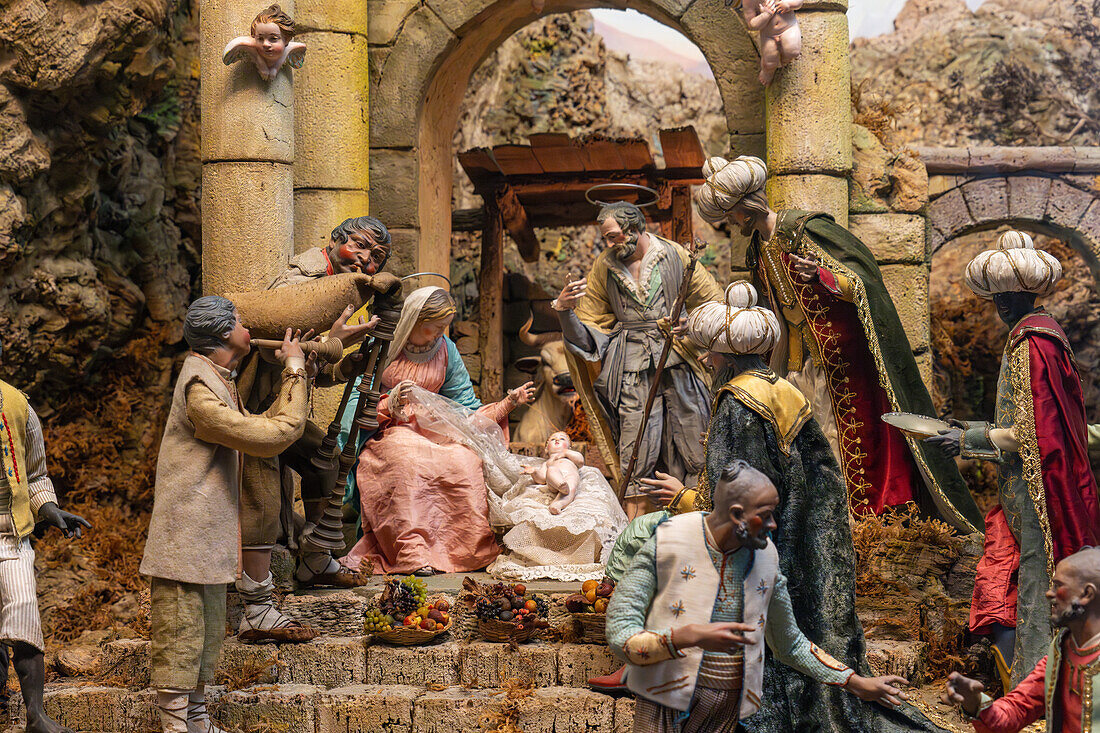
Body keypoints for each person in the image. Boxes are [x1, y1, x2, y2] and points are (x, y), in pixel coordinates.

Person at [696, 155, 982, 534]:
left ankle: (858, 519)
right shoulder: (758, 250)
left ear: (745, 209)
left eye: (730, 213)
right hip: (795, 359)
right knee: (807, 439)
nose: (730, 221)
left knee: (846, 437)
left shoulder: (807, 229)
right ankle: (819, 519)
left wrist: (823, 275)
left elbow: (866, 283)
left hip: (842, 361)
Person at [606, 459, 910, 733]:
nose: (773, 525)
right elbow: (621, 636)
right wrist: (687, 636)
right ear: (737, 514)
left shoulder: (766, 557)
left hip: (726, 707)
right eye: (764, 516)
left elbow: (789, 642)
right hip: (664, 699)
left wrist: (855, 683)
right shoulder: (670, 539)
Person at [924, 231, 1100, 689]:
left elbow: (1038, 431)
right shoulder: (1037, 337)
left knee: (1042, 584)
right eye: (999, 296)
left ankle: (1038, 690)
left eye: (1011, 296)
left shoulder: (1033, 344)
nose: (1003, 305)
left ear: (1028, 294)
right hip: (1025, 486)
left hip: (1041, 489)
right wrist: (969, 434)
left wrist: (969, 438)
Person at [140, 297, 312, 733]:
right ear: (221, 334)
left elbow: (264, 424)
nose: (245, 325)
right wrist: (293, 370)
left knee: (208, 631)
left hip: (207, 536)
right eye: (237, 320)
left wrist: (303, 362)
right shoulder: (199, 387)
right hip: (185, 535)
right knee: (180, 632)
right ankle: (176, 726)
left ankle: (196, 721)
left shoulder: (220, 377)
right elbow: (273, 434)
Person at [233, 215, 395, 644]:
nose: (364, 259)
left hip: (285, 406)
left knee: (323, 464)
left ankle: (317, 559)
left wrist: (344, 365)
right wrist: (334, 341)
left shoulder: (341, 293)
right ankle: (256, 604)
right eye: (358, 246)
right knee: (263, 499)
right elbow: (276, 349)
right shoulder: (301, 282)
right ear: (335, 240)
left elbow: (313, 369)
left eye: (375, 257)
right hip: (252, 411)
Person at [338, 286, 534, 576]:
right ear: (413, 322)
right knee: (407, 461)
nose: (438, 334)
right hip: (391, 427)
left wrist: (507, 403)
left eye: (443, 328)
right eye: (433, 328)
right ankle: (412, 552)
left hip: (438, 430)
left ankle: (466, 552)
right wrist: (389, 402)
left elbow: (463, 406)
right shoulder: (386, 346)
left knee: (464, 461)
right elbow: (356, 396)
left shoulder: (446, 349)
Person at [553, 201, 723, 519]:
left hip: (679, 362)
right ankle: (636, 529)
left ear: (635, 229)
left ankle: (700, 521)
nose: (609, 244)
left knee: (694, 439)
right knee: (635, 446)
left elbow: (712, 302)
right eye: (606, 238)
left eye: (613, 236)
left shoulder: (676, 256)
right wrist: (565, 311)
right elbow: (590, 327)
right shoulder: (605, 265)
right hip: (631, 367)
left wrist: (691, 324)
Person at [0, 344, 90, 733]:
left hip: (11, 533)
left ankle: (36, 714)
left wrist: (50, 510)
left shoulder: (16, 404)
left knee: (23, 615)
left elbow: (35, 474)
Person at [943, 546, 1100, 732]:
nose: (1049, 594)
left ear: (1087, 594)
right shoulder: (1061, 648)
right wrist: (975, 701)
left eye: (1058, 586)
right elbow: (1017, 710)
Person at [522, 431, 584, 514]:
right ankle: (561, 485)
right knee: (551, 469)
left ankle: (558, 504)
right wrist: (534, 472)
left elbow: (580, 461)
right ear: (547, 449)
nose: (557, 440)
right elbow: (542, 479)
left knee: (571, 486)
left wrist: (566, 452)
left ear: (569, 447)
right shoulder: (547, 463)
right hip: (554, 483)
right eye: (553, 439)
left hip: (569, 476)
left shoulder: (569, 456)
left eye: (562, 439)